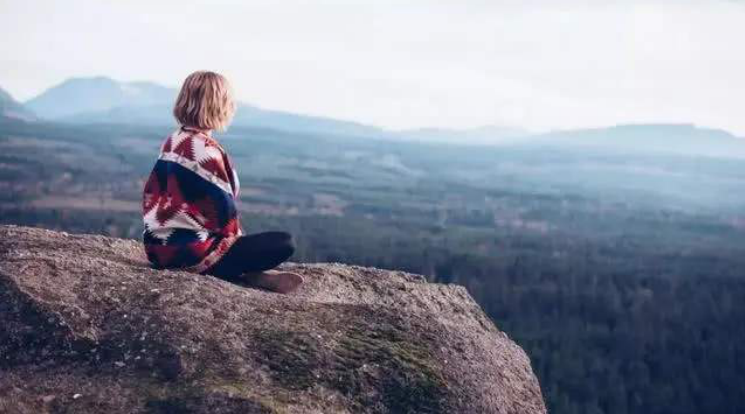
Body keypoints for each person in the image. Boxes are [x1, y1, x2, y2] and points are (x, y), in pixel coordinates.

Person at [142, 71, 303, 293]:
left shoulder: (173, 140)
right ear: (220, 105)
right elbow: (224, 218)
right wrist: (241, 247)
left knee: (252, 248)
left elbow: (153, 195)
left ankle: (247, 272)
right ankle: (247, 273)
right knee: (284, 243)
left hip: (156, 247)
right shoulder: (207, 151)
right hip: (190, 252)